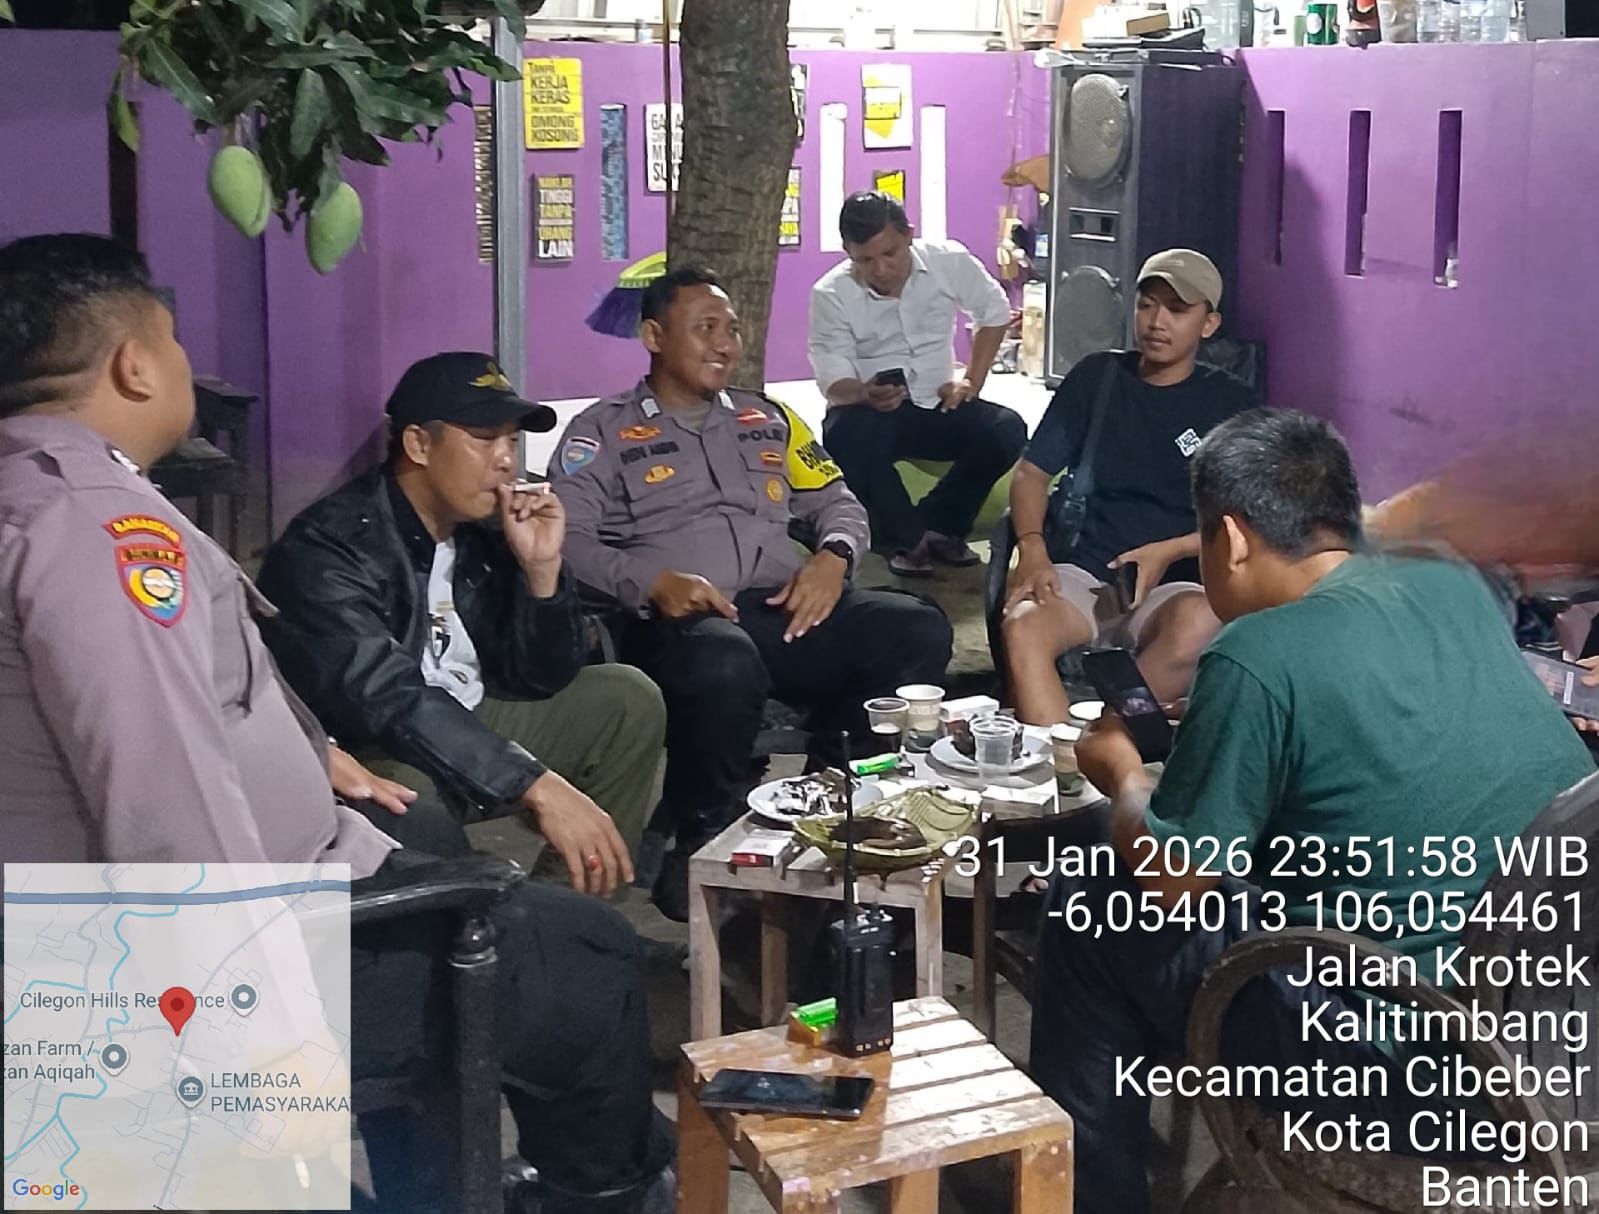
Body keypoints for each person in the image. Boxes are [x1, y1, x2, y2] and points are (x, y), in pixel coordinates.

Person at [0, 235, 671, 1214]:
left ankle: (433, 1187)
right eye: (175, 341)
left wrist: (306, 747)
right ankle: (600, 1193)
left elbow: (147, 702)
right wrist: (253, 1038)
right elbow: (163, 792)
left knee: (436, 834)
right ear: (134, 364)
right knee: (588, 957)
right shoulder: (101, 528)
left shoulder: (36, 493)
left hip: (199, 915)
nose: (504, 457)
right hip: (175, 973)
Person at [1029, 408, 1596, 1214]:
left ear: (1229, 540)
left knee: (1091, 900)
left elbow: (1175, 882)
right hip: (1560, 1052)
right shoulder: (1446, 581)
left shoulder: (1256, 652)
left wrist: (1120, 769)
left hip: (1415, 1082)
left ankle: (1090, 1200)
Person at [550, 265, 953, 919]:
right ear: (654, 336)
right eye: (705, 328)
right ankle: (704, 829)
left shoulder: (769, 419)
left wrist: (833, 558)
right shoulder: (602, 432)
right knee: (725, 660)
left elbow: (837, 501)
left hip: (777, 609)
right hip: (674, 625)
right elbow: (565, 539)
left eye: (732, 330)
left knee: (916, 627)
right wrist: (650, 582)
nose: (725, 344)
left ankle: (830, 798)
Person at [255, 351, 666, 898]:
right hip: (374, 749)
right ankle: (469, 932)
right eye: (484, 439)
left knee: (626, 698)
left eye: (512, 441)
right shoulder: (330, 547)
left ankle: (570, 917)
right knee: (406, 795)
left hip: (469, 717)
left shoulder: (486, 530)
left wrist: (542, 573)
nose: (506, 461)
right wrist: (533, 782)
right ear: (419, 445)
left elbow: (541, 678)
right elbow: (387, 700)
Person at [1002, 249, 1257, 724]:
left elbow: (1247, 518)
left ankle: (1109, 738)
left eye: (1177, 310)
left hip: (1173, 585)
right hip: (1083, 572)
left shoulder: (1230, 402)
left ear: (1208, 324)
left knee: (1199, 624)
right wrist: (1032, 549)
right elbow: (1031, 474)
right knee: (1023, 627)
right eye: (1147, 305)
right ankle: (1061, 761)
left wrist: (1170, 550)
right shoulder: (1097, 378)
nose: (1157, 322)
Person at [809, 191, 1026, 577]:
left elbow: (994, 312)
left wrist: (971, 381)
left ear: (909, 234)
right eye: (865, 260)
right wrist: (863, 393)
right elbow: (831, 379)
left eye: (889, 253)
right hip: (872, 414)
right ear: (848, 252)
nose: (880, 269)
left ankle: (938, 527)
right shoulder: (831, 293)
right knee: (842, 432)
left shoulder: (948, 260)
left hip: (939, 403)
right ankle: (907, 540)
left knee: (1006, 428)